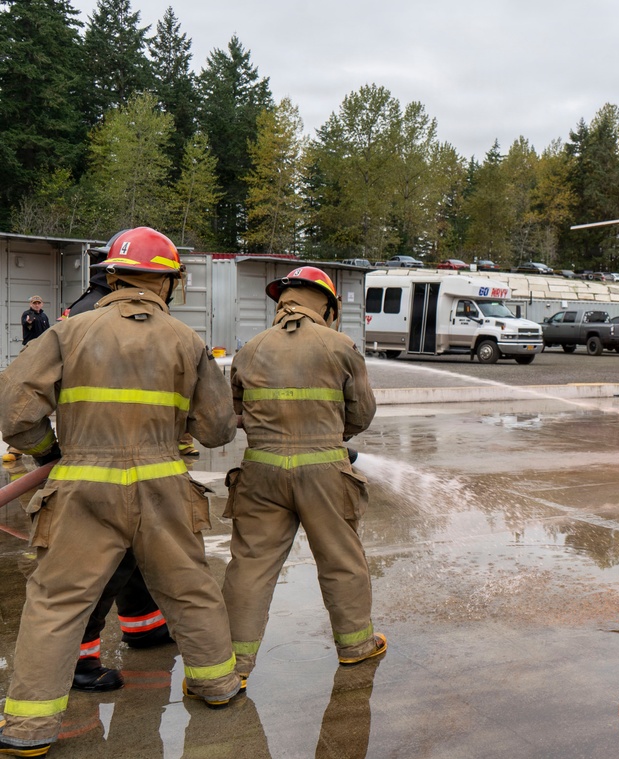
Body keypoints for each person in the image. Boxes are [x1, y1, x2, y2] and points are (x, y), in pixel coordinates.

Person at [0, 227, 242, 757]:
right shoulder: (187, 341)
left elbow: (16, 413)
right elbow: (218, 431)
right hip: (163, 485)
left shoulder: (68, 332)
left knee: (56, 601)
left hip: (83, 485)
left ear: (112, 275)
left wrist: (49, 452)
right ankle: (218, 685)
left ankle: (29, 728)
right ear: (169, 283)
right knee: (190, 589)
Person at [222, 266, 383, 683]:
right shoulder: (340, 345)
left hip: (260, 471)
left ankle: (234, 666)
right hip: (325, 472)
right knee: (340, 560)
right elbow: (362, 413)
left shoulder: (250, 349)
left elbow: (236, 410)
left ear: (282, 303)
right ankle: (356, 647)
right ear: (327, 306)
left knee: (250, 567)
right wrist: (330, 434)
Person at [60, 233, 174, 696]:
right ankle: (79, 661)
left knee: (137, 555)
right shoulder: (104, 317)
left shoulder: (86, 307)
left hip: (114, 454)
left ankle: (143, 626)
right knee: (100, 566)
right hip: (110, 462)